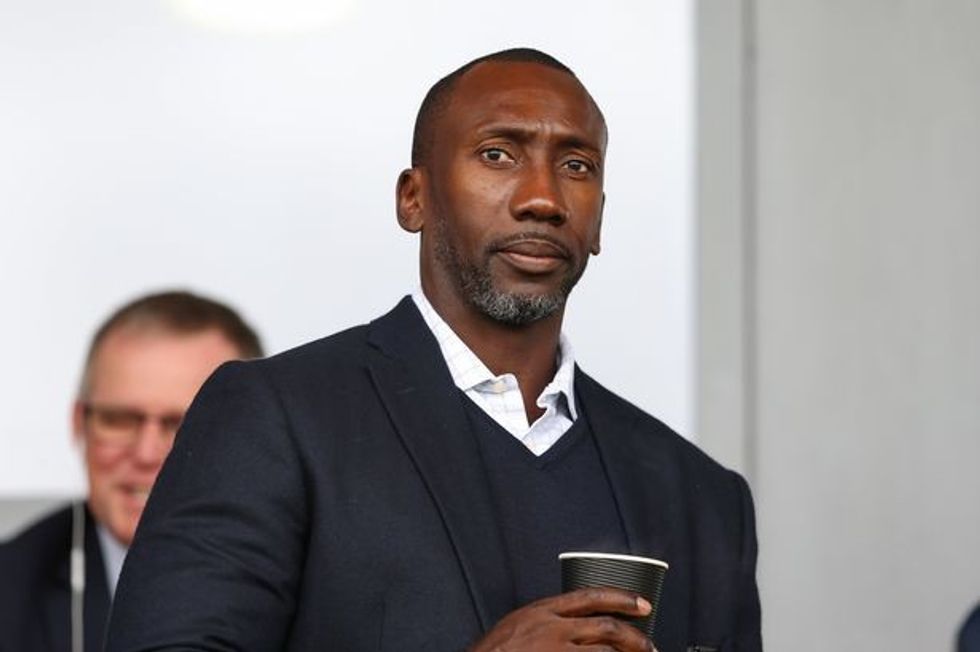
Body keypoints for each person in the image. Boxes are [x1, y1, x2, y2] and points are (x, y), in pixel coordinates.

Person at [105, 49, 762, 652]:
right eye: (498, 155)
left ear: (599, 218)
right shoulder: (275, 420)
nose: (543, 198)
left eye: (576, 166)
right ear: (413, 199)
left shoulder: (703, 499)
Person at [0, 290, 263, 652]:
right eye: (119, 420)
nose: (145, 453)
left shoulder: (326, 586)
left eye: (182, 425)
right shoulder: (10, 591)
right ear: (79, 424)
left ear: (255, 437)